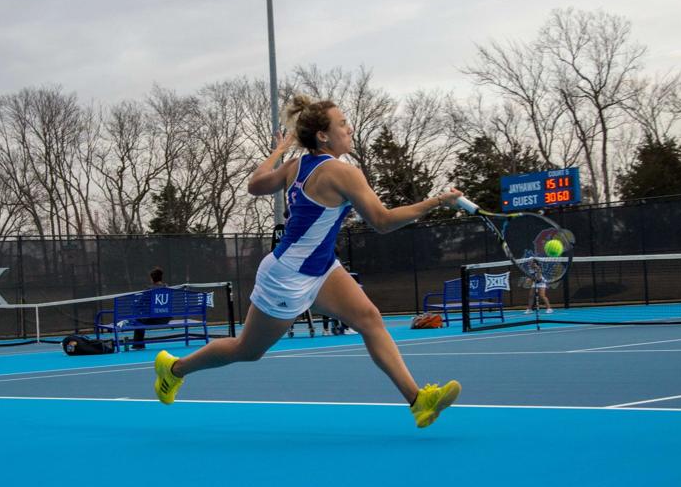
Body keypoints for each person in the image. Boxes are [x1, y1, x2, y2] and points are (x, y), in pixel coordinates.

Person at [153, 95, 463, 428]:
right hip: (287, 277)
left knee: (370, 319)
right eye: (342, 123)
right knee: (248, 350)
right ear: (323, 136)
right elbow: (382, 221)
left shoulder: (296, 166)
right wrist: (437, 201)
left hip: (322, 268)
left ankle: (418, 401)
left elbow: (256, 184)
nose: (350, 128)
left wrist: (280, 151)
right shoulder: (342, 173)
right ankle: (173, 370)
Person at [131, 266, 170, 350]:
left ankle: (138, 345)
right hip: (166, 319)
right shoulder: (167, 288)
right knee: (142, 318)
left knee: (139, 320)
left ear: (152, 279)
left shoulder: (149, 289)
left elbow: (140, 303)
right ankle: (138, 345)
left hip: (154, 319)